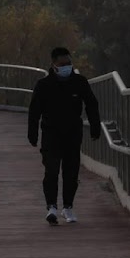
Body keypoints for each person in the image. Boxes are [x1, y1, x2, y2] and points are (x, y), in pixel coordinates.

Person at [27, 46, 101, 225]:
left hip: (73, 134)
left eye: (69, 63)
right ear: (54, 65)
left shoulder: (80, 82)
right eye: (62, 64)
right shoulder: (44, 85)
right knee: (51, 169)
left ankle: (68, 207)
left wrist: (95, 127)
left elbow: (91, 104)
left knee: (71, 172)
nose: (66, 66)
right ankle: (51, 206)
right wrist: (32, 133)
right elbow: (34, 111)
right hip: (51, 133)